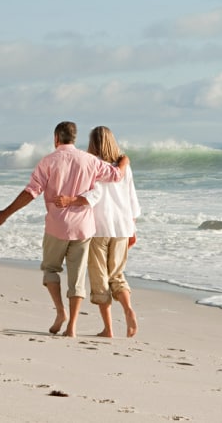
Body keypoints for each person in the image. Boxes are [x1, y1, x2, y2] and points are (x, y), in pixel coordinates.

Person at [0, 121, 128, 338]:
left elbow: (31, 192)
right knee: (77, 278)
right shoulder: (90, 161)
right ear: (74, 138)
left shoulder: (48, 161)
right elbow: (116, 175)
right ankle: (72, 327)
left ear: (56, 138)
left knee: (51, 269)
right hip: (83, 228)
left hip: (56, 227)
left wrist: (5, 214)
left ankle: (60, 312)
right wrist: (124, 162)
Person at [54, 124, 140, 338]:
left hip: (99, 228)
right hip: (122, 227)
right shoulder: (124, 167)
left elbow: (90, 197)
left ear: (92, 143)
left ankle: (109, 329)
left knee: (99, 279)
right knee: (117, 275)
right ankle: (128, 310)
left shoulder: (92, 166)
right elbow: (132, 199)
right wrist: (133, 228)